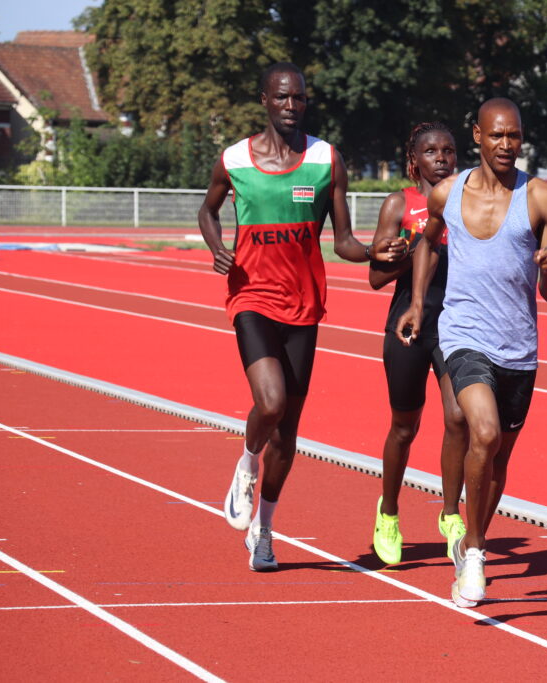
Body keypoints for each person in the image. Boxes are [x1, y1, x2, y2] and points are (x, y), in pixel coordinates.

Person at [197, 62, 403, 572]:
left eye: (300, 99)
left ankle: (263, 530)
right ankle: (246, 464)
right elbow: (208, 209)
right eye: (283, 98)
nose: (292, 106)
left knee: (288, 433)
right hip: (251, 296)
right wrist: (217, 246)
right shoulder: (235, 159)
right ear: (264, 100)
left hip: (304, 305)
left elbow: (345, 242)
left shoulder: (325, 159)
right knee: (267, 403)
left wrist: (381, 254)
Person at [396, 98, 547, 607]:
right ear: (478, 136)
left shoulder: (540, 196)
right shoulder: (448, 192)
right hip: (464, 334)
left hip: (520, 347)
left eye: (514, 136)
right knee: (482, 433)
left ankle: (475, 539)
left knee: (499, 457)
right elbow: (426, 243)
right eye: (497, 136)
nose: (506, 145)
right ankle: (473, 554)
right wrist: (420, 305)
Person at [368, 122, 469, 565]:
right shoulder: (399, 204)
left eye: (448, 150)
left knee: (459, 417)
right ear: (415, 160)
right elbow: (374, 276)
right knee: (405, 427)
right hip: (407, 324)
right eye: (431, 151)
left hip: (459, 323)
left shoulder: (468, 201)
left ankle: (451, 516)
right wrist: (411, 248)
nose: (441, 158)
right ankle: (388, 512)